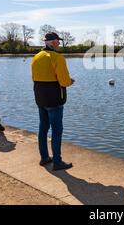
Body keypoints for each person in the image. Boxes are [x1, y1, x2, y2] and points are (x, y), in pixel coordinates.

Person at [31, 32, 74, 171]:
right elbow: (64, 81)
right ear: (53, 42)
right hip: (54, 99)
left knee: (43, 128)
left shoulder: (36, 57)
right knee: (57, 131)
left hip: (40, 97)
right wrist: (70, 81)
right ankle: (57, 162)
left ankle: (44, 158)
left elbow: (35, 77)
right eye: (58, 41)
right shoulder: (57, 57)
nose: (59, 43)